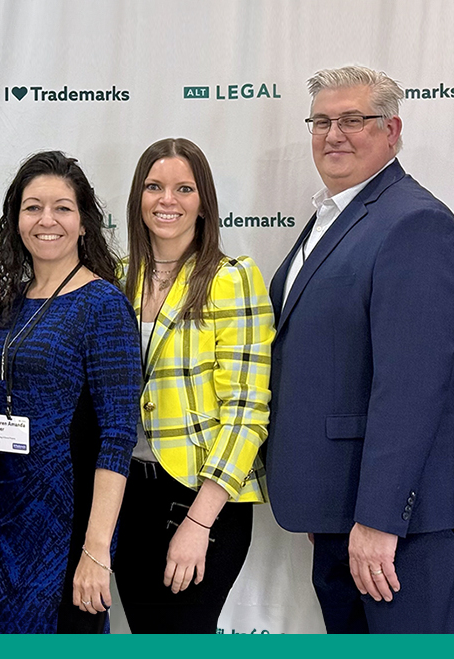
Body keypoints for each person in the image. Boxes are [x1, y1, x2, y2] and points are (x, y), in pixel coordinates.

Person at [266, 65, 454, 634]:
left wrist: (379, 520)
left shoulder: (414, 222)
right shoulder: (335, 214)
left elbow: (412, 388)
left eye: (352, 120)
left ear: (391, 130)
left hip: (396, 529)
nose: (333, 134)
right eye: (321, 121)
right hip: (337, 510)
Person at [114, 138, 274, 633]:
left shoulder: (231, 278)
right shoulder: (117, 279)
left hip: (201, 497)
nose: (168, 200)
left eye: (184, 188)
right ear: (138, 198)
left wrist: (199, 522)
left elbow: (246, 410)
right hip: (128, 495)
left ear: (203, 203)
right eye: (154, 187)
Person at [0, 151, 140, 634]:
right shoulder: (9, 301)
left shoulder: (103, 304)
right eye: (32, 207)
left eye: (62, 208)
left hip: (68, 529)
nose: (46, 220)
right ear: (16, 221)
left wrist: (96, 550)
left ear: (84, 223)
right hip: (7, 523)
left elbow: (118, 436)